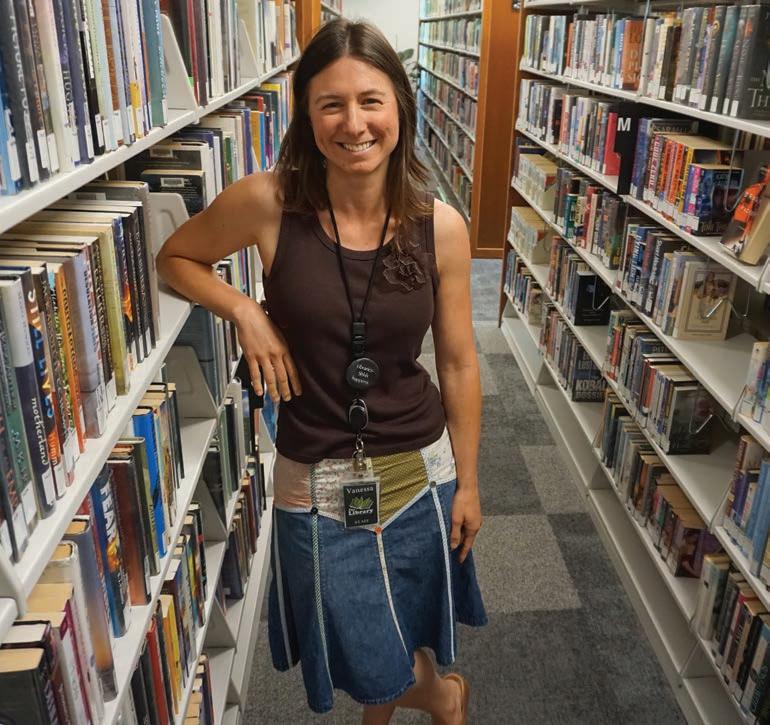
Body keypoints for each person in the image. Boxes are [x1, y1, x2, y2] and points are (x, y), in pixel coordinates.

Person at [156, 18, 487, 724]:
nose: (354, 124)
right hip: (313, 476)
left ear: (400, 106)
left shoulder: (442, 227)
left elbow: (458, 362)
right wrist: (243, 309)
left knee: (404, 621)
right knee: (355, 641)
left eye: (371, 101)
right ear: (307, 116)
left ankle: (418, 700)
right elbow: (175, 257)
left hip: (422, 467)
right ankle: (442, 695)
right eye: (331, 104)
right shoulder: (267, 203)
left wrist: (469, 481)